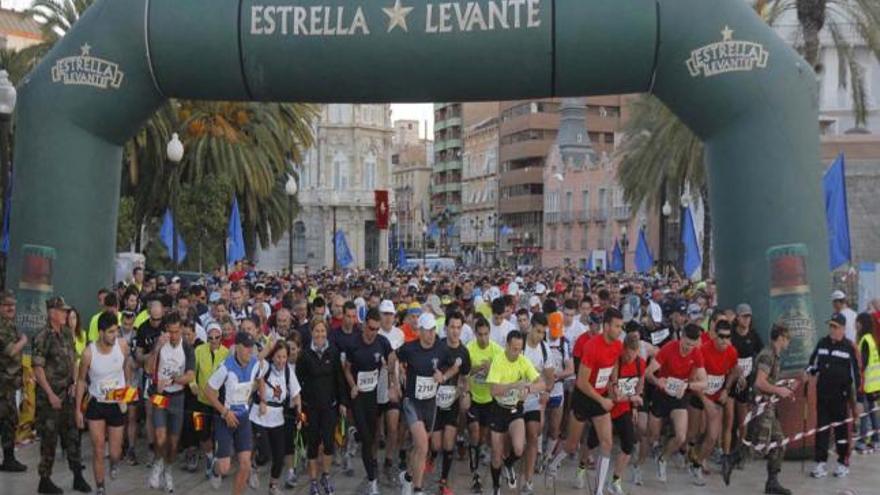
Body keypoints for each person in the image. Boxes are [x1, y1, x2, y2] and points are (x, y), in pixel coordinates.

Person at [548, 307, 624, 495]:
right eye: (616, 326)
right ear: (606, 326)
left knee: (606, 443)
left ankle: (597, 490)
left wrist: (614, 384)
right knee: (572, 445)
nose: (619, 330)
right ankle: (553, 463)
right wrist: (602, 400)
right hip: (584, 397)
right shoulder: (591, 346)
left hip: (601, 396)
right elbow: (581, 382)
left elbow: (615, 362)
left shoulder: (617, 344)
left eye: (621, 326)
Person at [32, 296, 91, 494]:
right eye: (62, 311)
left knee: (73, 436)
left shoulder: (66, 334)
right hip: (50, 398)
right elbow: (38, 369)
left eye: (66, 311)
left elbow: (73, 360)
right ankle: (44, 480)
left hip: (67, 395)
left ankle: (77, 476)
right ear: (52, 313)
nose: (66, 314)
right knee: (49, 439)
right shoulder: (43, 337)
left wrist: (74, 383)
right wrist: (50, 395)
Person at [398, 312, 460, 495]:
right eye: (427, 330)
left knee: (420, 447)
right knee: (424, 445)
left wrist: (444, 376)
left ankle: (408, 476)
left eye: (433, 330)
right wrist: (396, 379)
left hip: (430, 404)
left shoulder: (441, 349)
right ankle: (418, 489)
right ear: (420, 332)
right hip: (412, 402)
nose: (431, 334)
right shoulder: (409, 348)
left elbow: (454, 367)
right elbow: (393, 358)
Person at [75, 311, 132, 495]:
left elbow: (126, 368)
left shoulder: (122, 346)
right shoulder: (88, 354)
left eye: (116, 331)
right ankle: (100, 487)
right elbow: (82, 381)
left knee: (115, 452)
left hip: (116, 403)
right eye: (110, 332)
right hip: (96, 404)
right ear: (100, 332)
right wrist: (78, 410)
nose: (114, 335)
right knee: (98, 448)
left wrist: (128, 392)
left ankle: (114, 463)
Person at [644, 323, 707, 483]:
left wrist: (687, 386)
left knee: (681, 436)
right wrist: (658, 381)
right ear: (681, 337)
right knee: (653, 436)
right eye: (686, 344)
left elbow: (704, 382)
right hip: (661, 396)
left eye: (692, 346)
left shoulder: (696, 353)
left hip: (679, 397)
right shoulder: (668, 349)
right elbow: (648, 373)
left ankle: (663, 459)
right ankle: (647, 457)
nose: (688, 348)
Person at [342, 308, 396, 495]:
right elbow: (347, 368)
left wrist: (388, 368)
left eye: (376, 329)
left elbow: (392, 356)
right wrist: (352, 385)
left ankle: (353, 434)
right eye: (371, 328)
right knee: (367, 440)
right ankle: (372, 482)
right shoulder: (353, 343)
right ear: (365, 325)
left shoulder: (382, 342)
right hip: (357, 395)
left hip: (372, 395)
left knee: (371, 436)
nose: (373, 332)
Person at [485, 330, 546, 495]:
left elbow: (542, 384)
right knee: (496, 455)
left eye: (519, 349)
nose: (516, 352)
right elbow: (493, 390)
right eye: (513, 348)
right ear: (507, 345)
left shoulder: (523, 361)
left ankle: (509, 463)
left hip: (514, 409)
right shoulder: (498, 361)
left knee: (520, 448)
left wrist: (528, 388)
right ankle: (496, 487)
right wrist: (513, 385)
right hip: (498, 410)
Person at [205, 332, 261, 495]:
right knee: (225, 468)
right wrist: (224, 412)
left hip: (243, 419)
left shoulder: (256, 364)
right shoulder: (225, 367)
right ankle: (215, 468)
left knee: (245, 465)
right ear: (237, 347)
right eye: (246, 348)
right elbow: (208, 391)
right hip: (225, 419)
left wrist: (261, 398)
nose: (250, 352)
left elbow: (260, 378)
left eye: (252, 348)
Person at [806, 312, 860, 478]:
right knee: (821, 430)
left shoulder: (849, 347)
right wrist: (807, 374)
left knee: (841, 432)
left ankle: (842, 463)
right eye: (830, 326)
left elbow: (855, 375)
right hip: (823, 397)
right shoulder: (822, 343)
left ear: (843, 329)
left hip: (841, 398)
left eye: (835, 327)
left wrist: (855, 401)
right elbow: (812, 365)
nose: (832, 329)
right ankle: (820, 464)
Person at [590, 330, 644, 495]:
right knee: (591, 443)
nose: (630, 358)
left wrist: (635, 406)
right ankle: (582, 466)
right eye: (627, 355)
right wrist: (633, 398)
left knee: (629, 444)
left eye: (633, 355)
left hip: (623, 410)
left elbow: (639, 386)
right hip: (606, 408)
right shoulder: (616, 362)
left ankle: (615, 480)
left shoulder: (640, 363)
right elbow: (615, 395)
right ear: (623, 349)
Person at [687, 319, 739, 486]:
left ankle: (697, 464)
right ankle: (690, 452)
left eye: (728, 336)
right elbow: (693, 379)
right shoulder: (702, 351)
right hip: (699, 395)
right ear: (715, 336)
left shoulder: (731, 352)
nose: (725, 340)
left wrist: (726, 390)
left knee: (712, 436)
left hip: (716, 397)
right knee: (694, 432)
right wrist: (705, 400)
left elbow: (734, 371)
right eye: (721, 336)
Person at [744, 324, 794, 495]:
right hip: (761, 405)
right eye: (788, 338)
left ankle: (772, 482)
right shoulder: (767, 355)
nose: (789, 342)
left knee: (779, 443)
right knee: (760, 446)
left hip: (768, 405)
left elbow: (769, 381)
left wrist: (785, 385)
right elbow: (760, 382)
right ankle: (733, 458)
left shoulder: (775, 355)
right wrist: (779, 390)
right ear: (780, 338)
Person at [296, 318, 345, 495]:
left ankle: (326, 475)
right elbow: (297, 382)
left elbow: (339, 379)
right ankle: (314, 481)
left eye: (323, 331)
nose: (320, 334)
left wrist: (343, 403)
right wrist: (299, 407)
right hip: (310, 407)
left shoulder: (333, 352)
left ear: (327, 333)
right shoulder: (304, 355)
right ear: (311, 332)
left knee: (329, 443)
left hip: (330, 406)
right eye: (317, 331)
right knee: (313, 444)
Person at [252, 341, 302, 495]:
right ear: (272, 356)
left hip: (278, 418)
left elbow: (296, 395)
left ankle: (273, 485)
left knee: (279, 456)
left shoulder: (288, 372)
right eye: (278, 356)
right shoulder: (266, 367)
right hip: (260, 416)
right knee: (265, 454)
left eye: (284, 357)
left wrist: (299, 415)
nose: (281, 360)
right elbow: (255, 363)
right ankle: (253, 465)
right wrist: (266, 350)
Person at [431, 310, 471, 495]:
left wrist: (463, 392)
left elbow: (465, 377)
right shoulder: (437, 347)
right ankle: (430, 457)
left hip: (452, 402)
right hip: (435, 404)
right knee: (436, 445)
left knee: (448, 444)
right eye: (452, 327)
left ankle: (443, 481)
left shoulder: (464, 352)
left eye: (458, 327)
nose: (455, 331)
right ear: (446, 328)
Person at [466, 316, 503, 494]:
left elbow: (503, 376)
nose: (483, 338)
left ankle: (478, 449)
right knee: (474, 431)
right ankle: (475, 470)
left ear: (490, 333)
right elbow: (464, 373)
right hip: (474, 397)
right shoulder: (469, 349)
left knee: (483, 435)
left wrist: (491, 371)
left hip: (489, 400)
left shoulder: (497, 350)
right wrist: (476, 368)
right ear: (475, 334)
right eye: (480, 334)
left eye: (486, 334)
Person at [520, 313, 553, 494]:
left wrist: (546, 392)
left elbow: (550, 378)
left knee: (533, 435)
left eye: (543, 332)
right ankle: (509, 463)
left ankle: (529, 481)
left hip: (533, 400)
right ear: (531, 327)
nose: (540, 335)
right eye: (538, 331)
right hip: (516, 398)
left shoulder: (545, 350)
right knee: (514, 442)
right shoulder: (519, 344)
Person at [193, 322, 229, 477]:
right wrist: (192, 385)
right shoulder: (199, 350)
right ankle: (209, 458)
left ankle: (219, 462)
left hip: (219, 401)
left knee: (220, 433)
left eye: (217, 337)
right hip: (201, 400)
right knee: (201, 431)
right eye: (211, 337)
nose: (214, 340)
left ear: (221, 337)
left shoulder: (227, 353)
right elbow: (191, 372)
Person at [377, 299, 406, 482]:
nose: (388, 318)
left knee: (393, 427)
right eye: (384, 314)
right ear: (379, 316)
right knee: (375, 430)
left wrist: (401, 373)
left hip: (393, 387)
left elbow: (401, 359)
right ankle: (373, 462)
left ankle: (388, 461)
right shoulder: (374, 332)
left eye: (390, 314)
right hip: (376, 387)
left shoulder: (400, 334)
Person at [0, 290, 27, 472]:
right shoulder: (2, 327)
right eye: (6, 305)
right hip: (3, 383)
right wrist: (24, 340)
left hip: (10, 382)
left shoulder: (10, 325)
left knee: (9, 420)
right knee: (7, 419)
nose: (10, 308)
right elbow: (10, 351)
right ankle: (8, 459)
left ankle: (9, 458)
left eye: (13, 305)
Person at [855, 312, 880, 453]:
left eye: (857, 322)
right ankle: (876, 439)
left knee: (864, 413)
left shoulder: (864, 340)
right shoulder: (871, 339)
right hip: (874, 383)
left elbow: (862, 363)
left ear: (861, 324)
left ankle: (862, 441)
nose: (855, 325)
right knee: (872, 412)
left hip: (866, 383)